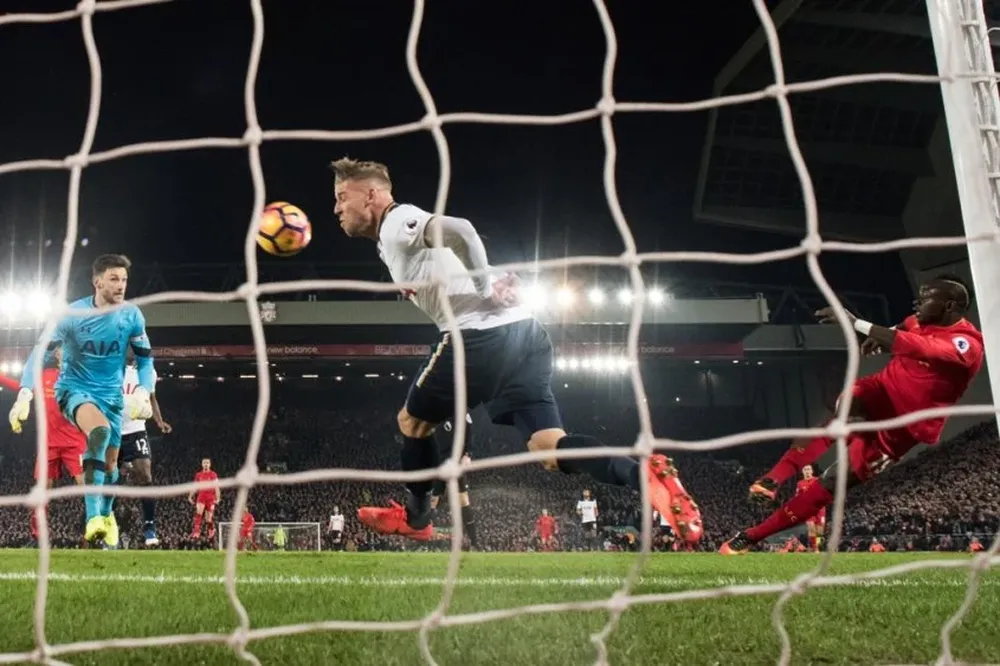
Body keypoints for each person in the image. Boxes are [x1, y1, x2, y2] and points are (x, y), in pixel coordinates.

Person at [329, 157, 702, 544]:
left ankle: (417, 518)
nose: (337, 208)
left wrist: (483, 288)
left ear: (371, 194)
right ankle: (642, 476)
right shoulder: (388, 240)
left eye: (342, 197)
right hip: (526, 334)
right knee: (548, 446)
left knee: (412, 422)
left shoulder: (395, 222)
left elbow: (462, 230)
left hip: (480, 336)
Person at [721, 275, 983, 554]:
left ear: (950, 306)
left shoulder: (965, 345)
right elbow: (902, 329)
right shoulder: (919, 321)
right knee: (844, 410)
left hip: (903, 429)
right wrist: (880, 338)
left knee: (832, 482)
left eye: (927, 297)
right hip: (879, 392)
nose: (917, 302)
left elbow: (917, 346)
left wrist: (857, 323)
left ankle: (750, 536)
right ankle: (772, 479)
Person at [10, 254, 155, 546]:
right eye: (114, 279)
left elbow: (145, 360)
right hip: (74, 389)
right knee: (98, 433)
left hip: (111, 395)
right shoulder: (71, 315)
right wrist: (24, 394)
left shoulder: (132, 316)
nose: (121, 285)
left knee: (112, 467)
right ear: (97, 281)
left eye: (124, 279)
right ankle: (92, 519)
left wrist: (143, 390)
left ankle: (106, 514)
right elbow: (40, 354)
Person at [2, 349, 85, 542]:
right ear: (56, 355)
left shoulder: (78, 376)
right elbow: (19, 386)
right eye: (62, 349)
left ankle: (97, 530)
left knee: (86, 486)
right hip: (48, 444)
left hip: (74, 442)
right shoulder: (43, 377)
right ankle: (37, 536)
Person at [119, 350, 171, 546]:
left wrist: (159, 421)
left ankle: (149, 527)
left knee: (146, 477)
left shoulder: (147, 372)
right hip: (114, 430)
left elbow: (152, 398)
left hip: (136, 430)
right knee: (109, 479)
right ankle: (107, 524)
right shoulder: (111, 368)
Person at [429, 414, 477, 548]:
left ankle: (475, 543)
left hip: (455, 460)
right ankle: (423, 540)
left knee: (463, 499)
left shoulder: (461, 411)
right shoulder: (432, 412)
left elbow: (470, 431)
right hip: (438, 461)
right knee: (433, 499)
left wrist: (468, 454)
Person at [188, 457, 220, 541]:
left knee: (208, 519)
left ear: (210, 464)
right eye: (204, 463)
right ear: (202, 464)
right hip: (201, 497)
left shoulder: (213, 474)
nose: (206, 464)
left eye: (207, 463)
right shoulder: (198, 475)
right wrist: (190, 496)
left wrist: (218, 497)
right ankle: (196, 532)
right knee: (198, 514)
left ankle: (211, 529)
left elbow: (217, 487)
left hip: (210, 498)